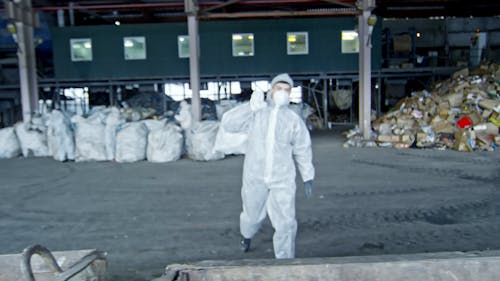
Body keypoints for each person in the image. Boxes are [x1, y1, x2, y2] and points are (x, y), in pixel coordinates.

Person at [221, 73, 315, 259]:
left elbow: (302, 148)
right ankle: (246, 235)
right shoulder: (257, 112)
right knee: (252, 216)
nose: (282, 93)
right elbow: (228, 123)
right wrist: (249, 107)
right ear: (270, 90)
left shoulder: (292, 120)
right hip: (255, 175)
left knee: (286, 222)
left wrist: (307, 175)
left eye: (287, 90)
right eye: (279, 88)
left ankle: (285, 260)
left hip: (282, 177)